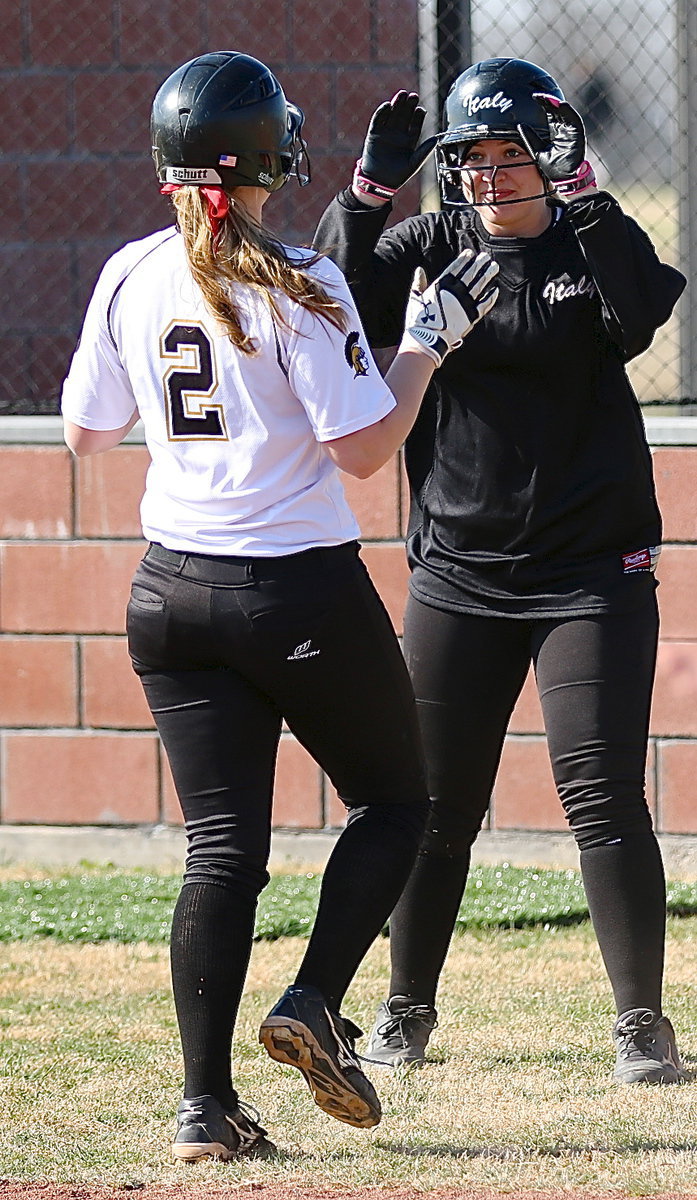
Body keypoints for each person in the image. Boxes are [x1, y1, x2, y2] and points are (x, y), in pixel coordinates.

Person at [60, 51, 499, 1161]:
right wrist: (424, 353)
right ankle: (311, 1002)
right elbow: (362, 453)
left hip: (168, 590)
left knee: (221, 853)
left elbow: (84, 432)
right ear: (268, 156)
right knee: (400, 804)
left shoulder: (128, 272)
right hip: (290, 582)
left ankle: (203, 1110)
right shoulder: (299, 274)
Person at [314, 56, 687, 1085]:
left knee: (602, 793)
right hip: (460, 573)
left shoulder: (585, 240)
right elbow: (330, 296)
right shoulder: (432, 248)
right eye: (467, 160)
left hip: (590, 574)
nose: (483, 178)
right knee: (432, 805)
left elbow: (641, 312)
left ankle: (640, 1023)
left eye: (506, 157)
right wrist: (365, 194)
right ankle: (403, 1011)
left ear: (546, 156)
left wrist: (584, 194)